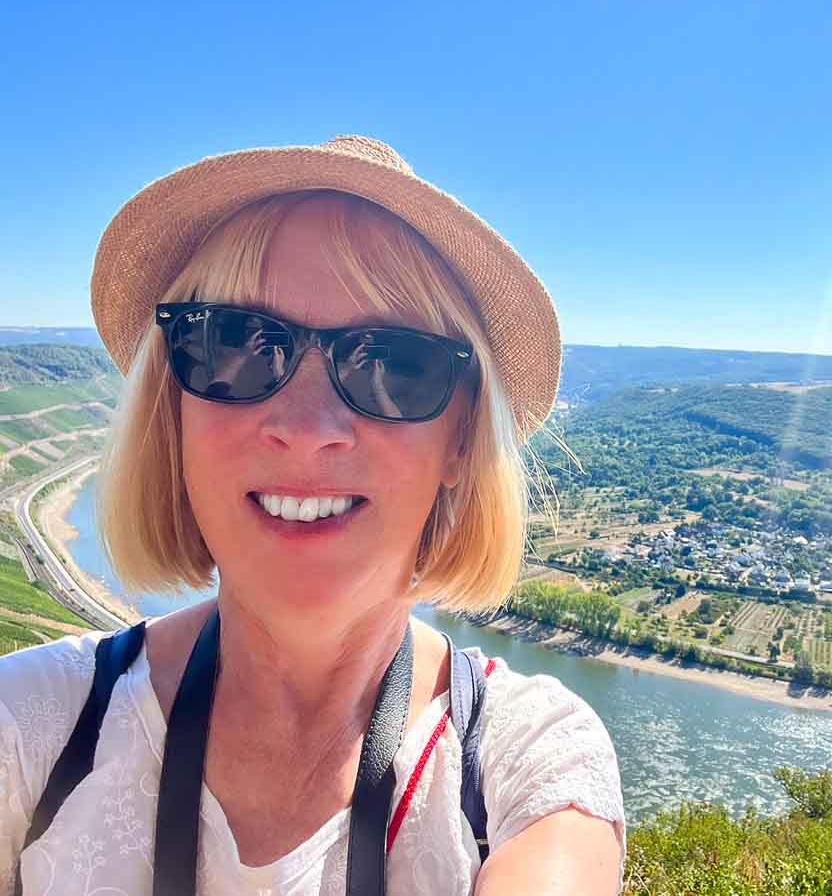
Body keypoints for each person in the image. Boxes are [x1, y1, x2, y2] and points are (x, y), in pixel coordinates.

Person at [0, 135, 625, 894]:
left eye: (393, 363)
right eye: (235, 345)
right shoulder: (32, 725)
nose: (308, 425)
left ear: (460, 439)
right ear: (174, 411)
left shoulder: (523, 760)